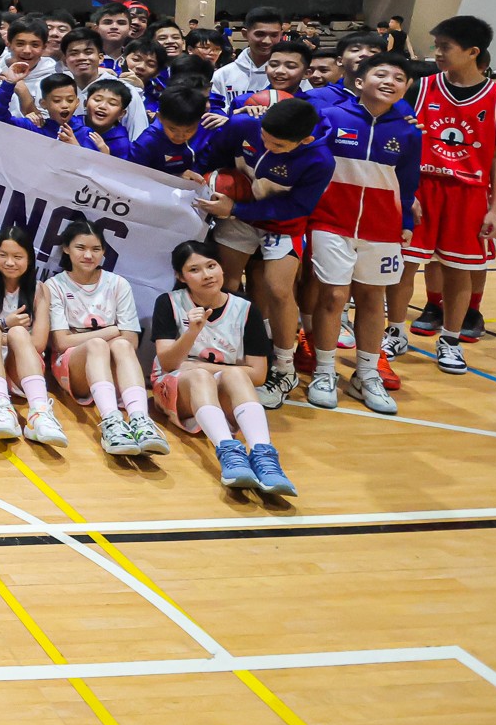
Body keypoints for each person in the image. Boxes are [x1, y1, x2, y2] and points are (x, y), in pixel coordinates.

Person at [402, 16, 496, 371]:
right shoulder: (420, 88)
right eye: (436, 45)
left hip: (468, 195)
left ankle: (451, 340)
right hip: (421, 190)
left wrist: (495, 209)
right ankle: (394, 331)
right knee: (405, 266)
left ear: (473, 52)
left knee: (458, 270)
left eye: (445, 47)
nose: (437, 53)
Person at [190, 98, 333, 408]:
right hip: (237, 216)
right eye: (264, 137)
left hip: (281, 223)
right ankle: (225, 348)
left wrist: (237, 208)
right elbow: (213, 154)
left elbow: (297, 206)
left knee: (279, 289)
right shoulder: (244, 125)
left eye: (277, 145)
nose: (267, 144)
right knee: (223, 282)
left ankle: (284, 368)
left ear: (305, 140)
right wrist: (199, 174)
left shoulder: (320, 159)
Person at [306, 52, 421, 415]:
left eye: (398, 78)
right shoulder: (331, 117)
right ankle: (324, 372)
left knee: (373, 299)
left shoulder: (408, 131)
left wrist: (406, 223)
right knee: (333, 295)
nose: (389, 82)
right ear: (359, 82)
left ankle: (366, 374)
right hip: (330, 221)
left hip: (382, 227)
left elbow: (408, 183)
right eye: (381, 74)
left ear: (406, 87)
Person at [151, 239, 296, 496]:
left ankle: (265, 456)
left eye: (211, 266)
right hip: (174, 389)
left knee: (236, 376)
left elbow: (258, 375)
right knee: (201, 377)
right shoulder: (169, 302)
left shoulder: (246, 309)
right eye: (194, 270)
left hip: (220, 390)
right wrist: (191, 333)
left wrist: (198, 365)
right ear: (180, 276)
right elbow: (168, 363)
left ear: (221, 267)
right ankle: (228, 452)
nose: (206, 275)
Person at [45, 219, 164, 458]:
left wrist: (102, 336)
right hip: (72, 367)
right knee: (99, 344)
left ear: (104, 252)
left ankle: (141, 420)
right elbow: (61, 343)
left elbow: (131, 341)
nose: (88, 255)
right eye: (81, 248)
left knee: (121, 345)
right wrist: (110, 331)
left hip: (111, 367)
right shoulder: (54, 286)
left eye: (96, 249)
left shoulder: (118, 284)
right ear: (66, 249)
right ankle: (111, 422)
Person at [0, 227, 66, 446]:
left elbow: (39, 343)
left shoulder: (39, 290)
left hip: (21, 366)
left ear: (29, 259)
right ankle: (1, 408)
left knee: (17, 332)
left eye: (17, 257)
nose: (10, 262)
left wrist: (7, 335)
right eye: (3, 255)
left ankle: (39, 413)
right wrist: (3, 324)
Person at [209, 6, 286, 108]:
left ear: (281, 35)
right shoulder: (222, 75)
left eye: (274, 35)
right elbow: (214, 111)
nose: (267, 41)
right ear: (245, 34)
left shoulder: (289, 75)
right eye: (260, 34)